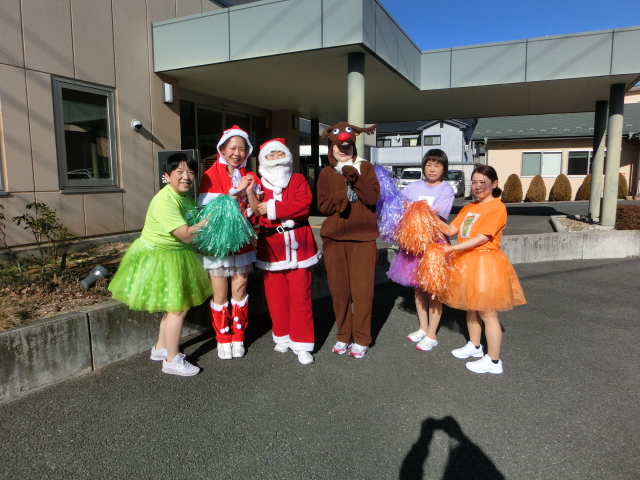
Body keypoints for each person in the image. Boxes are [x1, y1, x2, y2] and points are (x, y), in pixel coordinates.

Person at [108, 153, 212, 376]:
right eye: (179, 172)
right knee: (179, 308)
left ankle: (160, 348)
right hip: (160, 257)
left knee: (173, 305)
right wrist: (210, 219)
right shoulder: (165, 201)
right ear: (167, 176)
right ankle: (172, 360)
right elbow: (186, 234)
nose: (186, 177)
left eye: (191, 172)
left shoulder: (184, 197)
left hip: (174, 254)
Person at [439, 165, 526, 374]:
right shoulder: (469, 207)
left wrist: (452, 248)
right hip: (467, 261)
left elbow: (481, 238)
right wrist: (428, 216)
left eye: (482, 182)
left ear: (494, 184)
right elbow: (450, 229)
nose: (477, 186)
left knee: (487, 312)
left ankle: (493, 361)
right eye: (474, 182)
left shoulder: (497, 207)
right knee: (472, 306)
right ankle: (475, 345)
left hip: (485, 262)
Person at [247, 138, 320, 365]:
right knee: (276, 298)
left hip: (300, 248)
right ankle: (282, 336)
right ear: (263, 160)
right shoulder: (258, 184)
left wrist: (271, 207)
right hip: (272, 249)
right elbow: (254, 214)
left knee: (301, 298)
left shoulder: (297, 179)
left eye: (280, 153)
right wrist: (250, 197)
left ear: (287, 156)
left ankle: (302, 343)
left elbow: (304, 206)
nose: (276, 158)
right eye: (271, 155)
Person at [317, 121, 379, 359]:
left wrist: (355, 178)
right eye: (338, 146)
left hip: (363, 240)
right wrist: (340, 197)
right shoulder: (325, 173)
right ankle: (343, 335)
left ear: (353, 146)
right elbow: (323, 206)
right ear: (331, 147)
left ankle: (361, 338)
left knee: (362, 292)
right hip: (334, 240)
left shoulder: (365, 167)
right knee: (339, 292)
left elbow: (372, 198)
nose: (343, 150)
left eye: (347, 146)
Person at [197, 126, 260, 360]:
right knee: (220, 294)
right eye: (232, 148)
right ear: (222, 149)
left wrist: (250, 191)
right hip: (218, 243)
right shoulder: (210, 176)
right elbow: (209, 212)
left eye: (242, 149)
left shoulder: (251, 176)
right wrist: (238, 190)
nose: (237, 153)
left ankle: (238, 336)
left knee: (240, 290)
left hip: (242, 242)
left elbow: (256, 211)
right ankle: (222, 337)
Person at [390, 149, 455, 352]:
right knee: (418, 288)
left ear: (444, 168)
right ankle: (423, 327)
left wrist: (414, 208)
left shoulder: (446, 190)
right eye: (429, 164)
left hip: (434, 245)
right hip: (413, 246)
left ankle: (432, 335)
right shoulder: (412, 187)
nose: (432, 169)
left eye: (437, 165)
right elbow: (400, 208)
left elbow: (437, 216)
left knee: (433, 290)